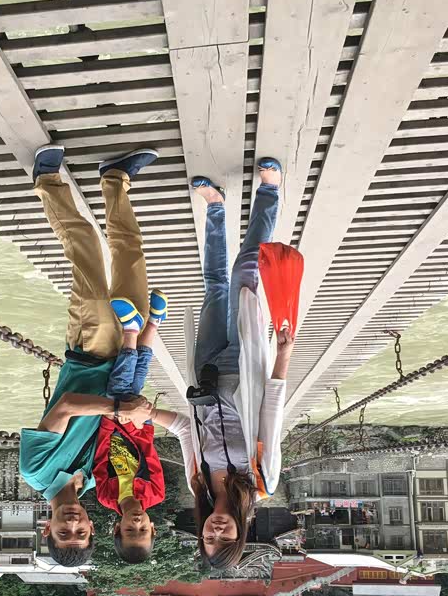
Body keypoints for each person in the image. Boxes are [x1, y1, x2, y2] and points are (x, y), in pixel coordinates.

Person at [150, 158, 296, 571]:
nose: (216, 530)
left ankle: (215, 207)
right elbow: (271, 417)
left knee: (214, 286)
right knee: (244, 274)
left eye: (209, 537)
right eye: (225, 538)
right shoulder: (261, 482)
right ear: (240, 535)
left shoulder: (198, 482)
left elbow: (185, 428)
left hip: (205, 373)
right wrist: (283, 355)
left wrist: (148, 415)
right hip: (246, 367)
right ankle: (269, 191)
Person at [19, 144, 158, 567]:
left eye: (64, 533)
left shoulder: (35, 471)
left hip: (88, 350)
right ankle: (115, 179)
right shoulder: (94, 480)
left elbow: (66, 407)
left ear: (47, 529)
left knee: (87, 253)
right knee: (131, 257)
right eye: (81, 533)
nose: (73, 524)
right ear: (94, 527)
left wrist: (118, 409)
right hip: (123, 363)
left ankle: (47, 182)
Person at [92, 290, 168, 564]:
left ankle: (154, 322)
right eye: (143, 530)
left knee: (131, 386)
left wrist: (110, 421)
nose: (137, 523)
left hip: (113, 427)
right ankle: (132, 330)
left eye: (129, 530)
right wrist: (134, 423)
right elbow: (148, 452)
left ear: (117, 528)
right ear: (153, 528)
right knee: (120, 389)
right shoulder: (155, 493)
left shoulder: (106, 496)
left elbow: (100, 457)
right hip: (139, 428)